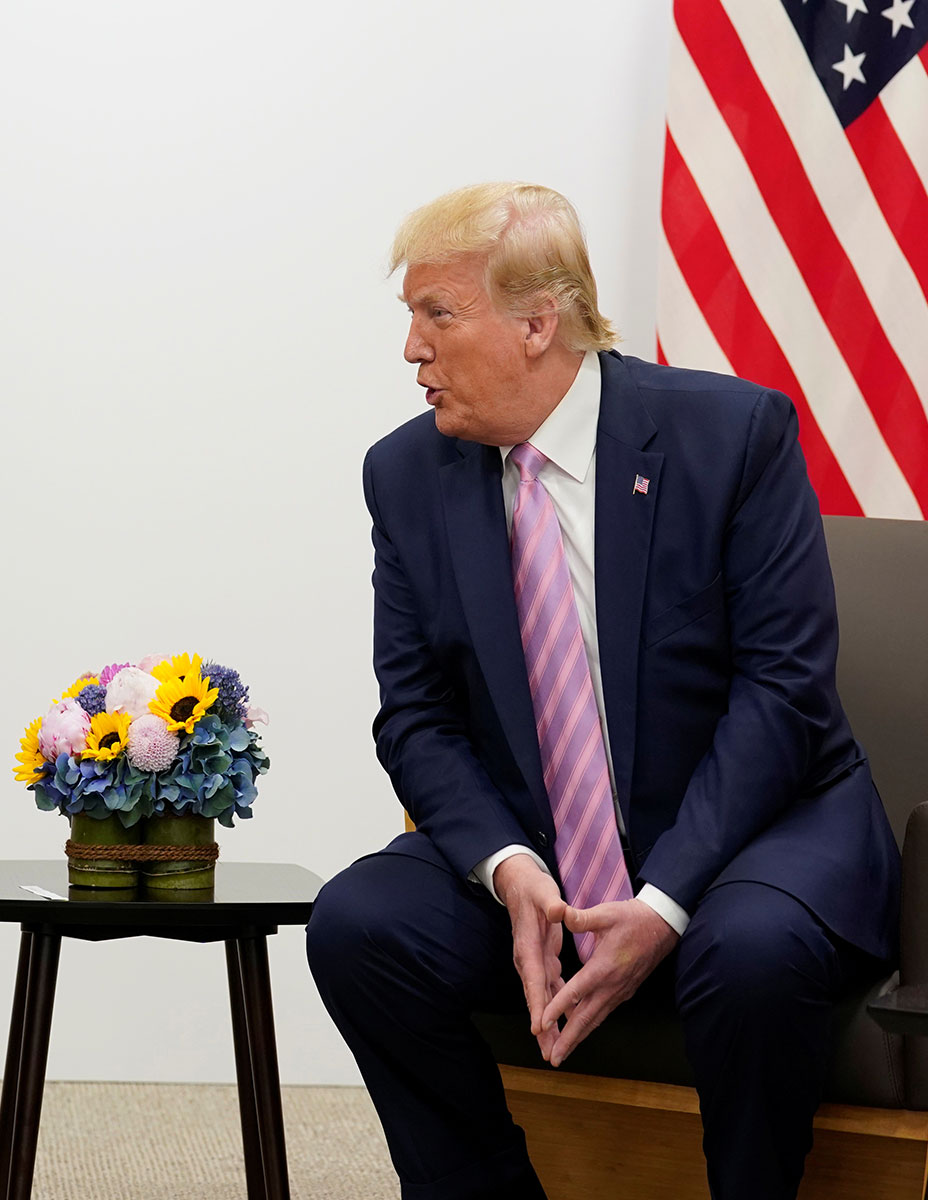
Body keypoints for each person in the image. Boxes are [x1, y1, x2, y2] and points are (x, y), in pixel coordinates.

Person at [306, 181, 898, 1200]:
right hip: (545, 853)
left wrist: (663, 899)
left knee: (748, 955)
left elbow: (782, 693)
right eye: (410, 317)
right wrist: (507, 868)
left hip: (754, 834)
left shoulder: (732, 438)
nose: (412, 349)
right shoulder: (405, 475)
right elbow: (414, 714)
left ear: (538, 322)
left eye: (436, 314)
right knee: (359, 925)